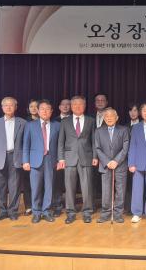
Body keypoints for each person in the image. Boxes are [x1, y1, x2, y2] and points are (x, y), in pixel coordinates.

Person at [57, 95, 98, 224]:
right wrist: (61, 158)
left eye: (80, 104)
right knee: (69, 187)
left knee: (87, 187)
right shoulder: (64, 121)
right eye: (75, 105)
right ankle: (70, 212)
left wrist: (95, 156)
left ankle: (87, 212)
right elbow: (60, 142)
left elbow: (94, 141)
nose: (77, 107)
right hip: (69, 159)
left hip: (86, 157)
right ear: (71, 106)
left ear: (84, 106)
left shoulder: (91, 121)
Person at [0, 97, 26, 221]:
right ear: (2, 107)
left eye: (11, 105)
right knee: (1, 187)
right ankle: (2, 211)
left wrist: (26, 159)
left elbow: (26, 143)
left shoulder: (23, 123)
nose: (8, 107)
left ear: (16, 107)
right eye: (6, 105)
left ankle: (13, 211)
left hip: (16, 157)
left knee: (15, 186)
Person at [22, 99, 60, 223]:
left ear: (51, 111)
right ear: (38, 111)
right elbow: (26, 144)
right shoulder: (30, 125)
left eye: (47, 109)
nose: (44, 111)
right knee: (36, 187)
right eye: (42, 109)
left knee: (49, 187)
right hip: (34, 161)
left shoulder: (57, 125)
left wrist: (60, 160)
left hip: (51, 159)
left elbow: (60, 145)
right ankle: (36, 212)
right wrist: (25, 161)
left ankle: (46, 211)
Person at [94, 108, 130, 223]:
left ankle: (118, 213)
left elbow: (125, 147)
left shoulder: (124, 130)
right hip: (105, 165)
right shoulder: (98, 131)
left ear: (117, 118)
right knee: (106, 190)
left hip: (120, 165)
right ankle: (105, 213)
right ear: (104, 118)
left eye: (111, 116)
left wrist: (116, 161)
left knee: (120, 190)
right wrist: (107, 161)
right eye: (107, 116)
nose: (109, 118)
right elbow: (97, 148)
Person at [51, 98, 70, 216]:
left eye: (68, 105)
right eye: (63, 104)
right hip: (58, 156)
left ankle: (70, 206)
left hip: (72, 156)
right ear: (59, 107)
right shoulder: (53, 121)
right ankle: (57, 205)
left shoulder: (75, 120)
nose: (66, 106)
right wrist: (58, 158)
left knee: (70, 182)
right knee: (57, 182)